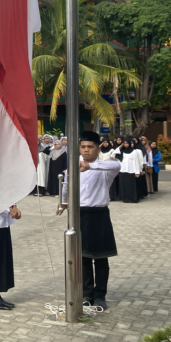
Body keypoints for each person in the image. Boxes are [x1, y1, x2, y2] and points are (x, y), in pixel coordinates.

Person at [58, 131, 121, 309]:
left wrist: (90, 167)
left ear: (98, 148)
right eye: (83, 147)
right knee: (83, 258)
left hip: (99, 215)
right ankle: (86, 294)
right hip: (79, 215)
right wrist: (63, 204)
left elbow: (116, 167)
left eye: (90, 147)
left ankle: (100, 295)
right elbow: (67, 187)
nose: (86, 150)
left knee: (101, 259)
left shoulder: (104, 167)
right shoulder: (74, 166)